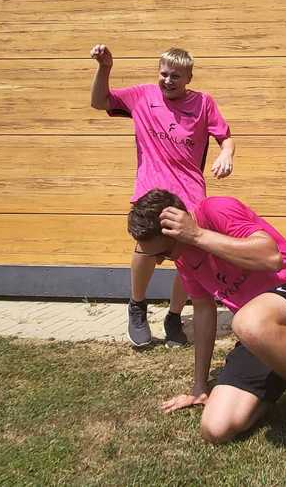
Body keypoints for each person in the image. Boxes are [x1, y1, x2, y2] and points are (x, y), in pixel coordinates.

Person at [128, 189, 286, 471]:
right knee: (216, 427)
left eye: (163, 252)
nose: (160, 261)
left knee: (247, 322)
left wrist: (197, 235)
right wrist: (199, 386)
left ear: (178, 228)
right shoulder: (183, 258)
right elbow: (204, 312)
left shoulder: (215, 210)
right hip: (261, 328)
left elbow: (271, 257)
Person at [90, 45, 235, 347]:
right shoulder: (142, 95)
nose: (168, 81)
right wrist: (105, 68)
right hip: (151, 189)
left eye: (176, 76)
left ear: (189, 77)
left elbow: (225, 138)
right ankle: (137, 306)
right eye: (164, 74)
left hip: (189, 193)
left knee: (189, 257)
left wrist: (226, 154)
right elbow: (99, 101)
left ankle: (174, 315)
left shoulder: (203, 103)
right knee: (146, 247)